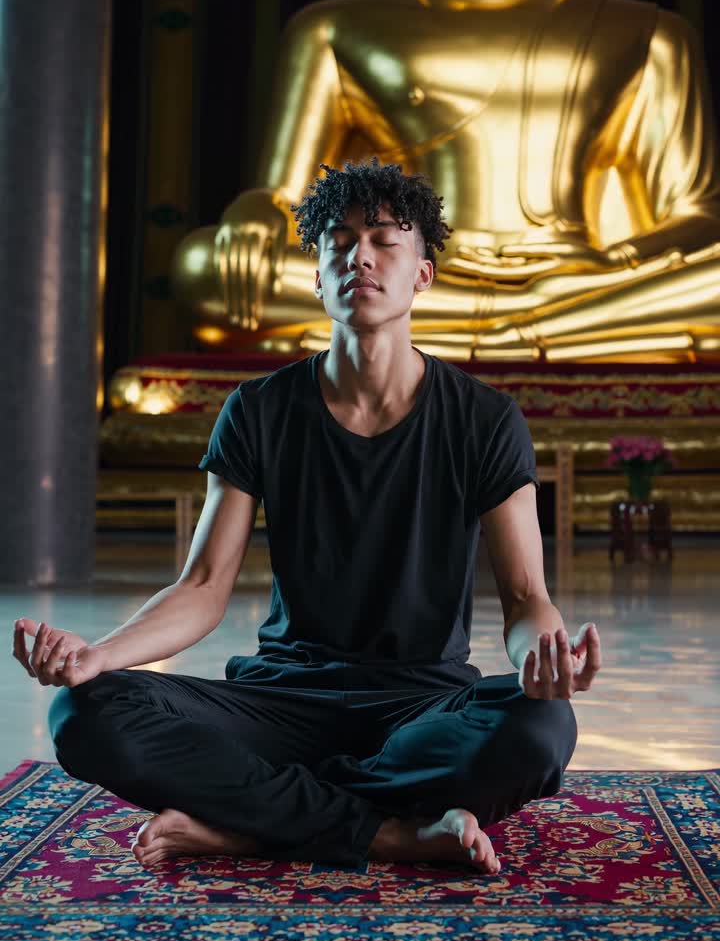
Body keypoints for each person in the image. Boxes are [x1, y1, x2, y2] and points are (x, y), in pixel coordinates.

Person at [15, 161, 601, 875]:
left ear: (423, 273)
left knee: (541, 728)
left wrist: (543, 660)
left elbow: (525, 600)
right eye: (340, 241)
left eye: (386, 240)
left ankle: (250, 827)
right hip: (279, 704)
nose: (360, 255)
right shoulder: (260, 410)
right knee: (84, 715)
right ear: (316, 275)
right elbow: (201, 587)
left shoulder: (484, 419)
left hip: (420, 707)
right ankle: (385, 833)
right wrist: (98, 656)